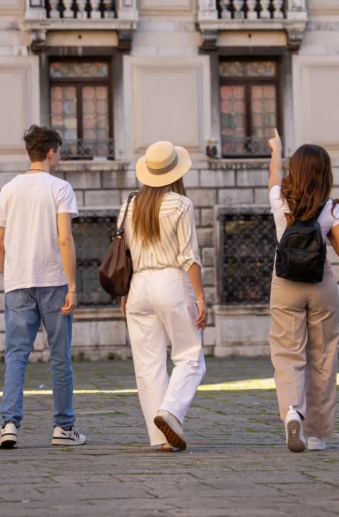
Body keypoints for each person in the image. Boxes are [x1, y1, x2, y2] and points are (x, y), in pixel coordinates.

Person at [0, 125, 87, 450]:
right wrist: (72, 286)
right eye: (58, 152)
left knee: (16, 357)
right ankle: (63, 427)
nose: (59, 158)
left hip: (17, 284)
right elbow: (65, 239)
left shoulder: (8, 190)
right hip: (54, 282)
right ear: (50, 152)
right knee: (60, 358)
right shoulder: (60, 188)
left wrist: (10, 276)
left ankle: (8, 424)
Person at [267, 129, 339, 453]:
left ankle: (293, 412)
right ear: (324, 173)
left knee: (287, 353)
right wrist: (328, 232)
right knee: (322, 356)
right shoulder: (330, 209)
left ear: (295, 170)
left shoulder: (279, 199)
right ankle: (316, 434)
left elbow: (274, 175)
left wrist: (276, 150)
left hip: (285, 283)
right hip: (320, 284)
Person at [119, 141, 207, 452]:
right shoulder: (181, 204)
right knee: (190, 357)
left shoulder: (129, 205)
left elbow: (125, 253)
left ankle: (160, 438)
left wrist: (125, 292)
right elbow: (188, 256)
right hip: (171, 282)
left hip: (137, 286)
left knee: (148, 365)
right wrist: (200, 296)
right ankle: (170, 412)